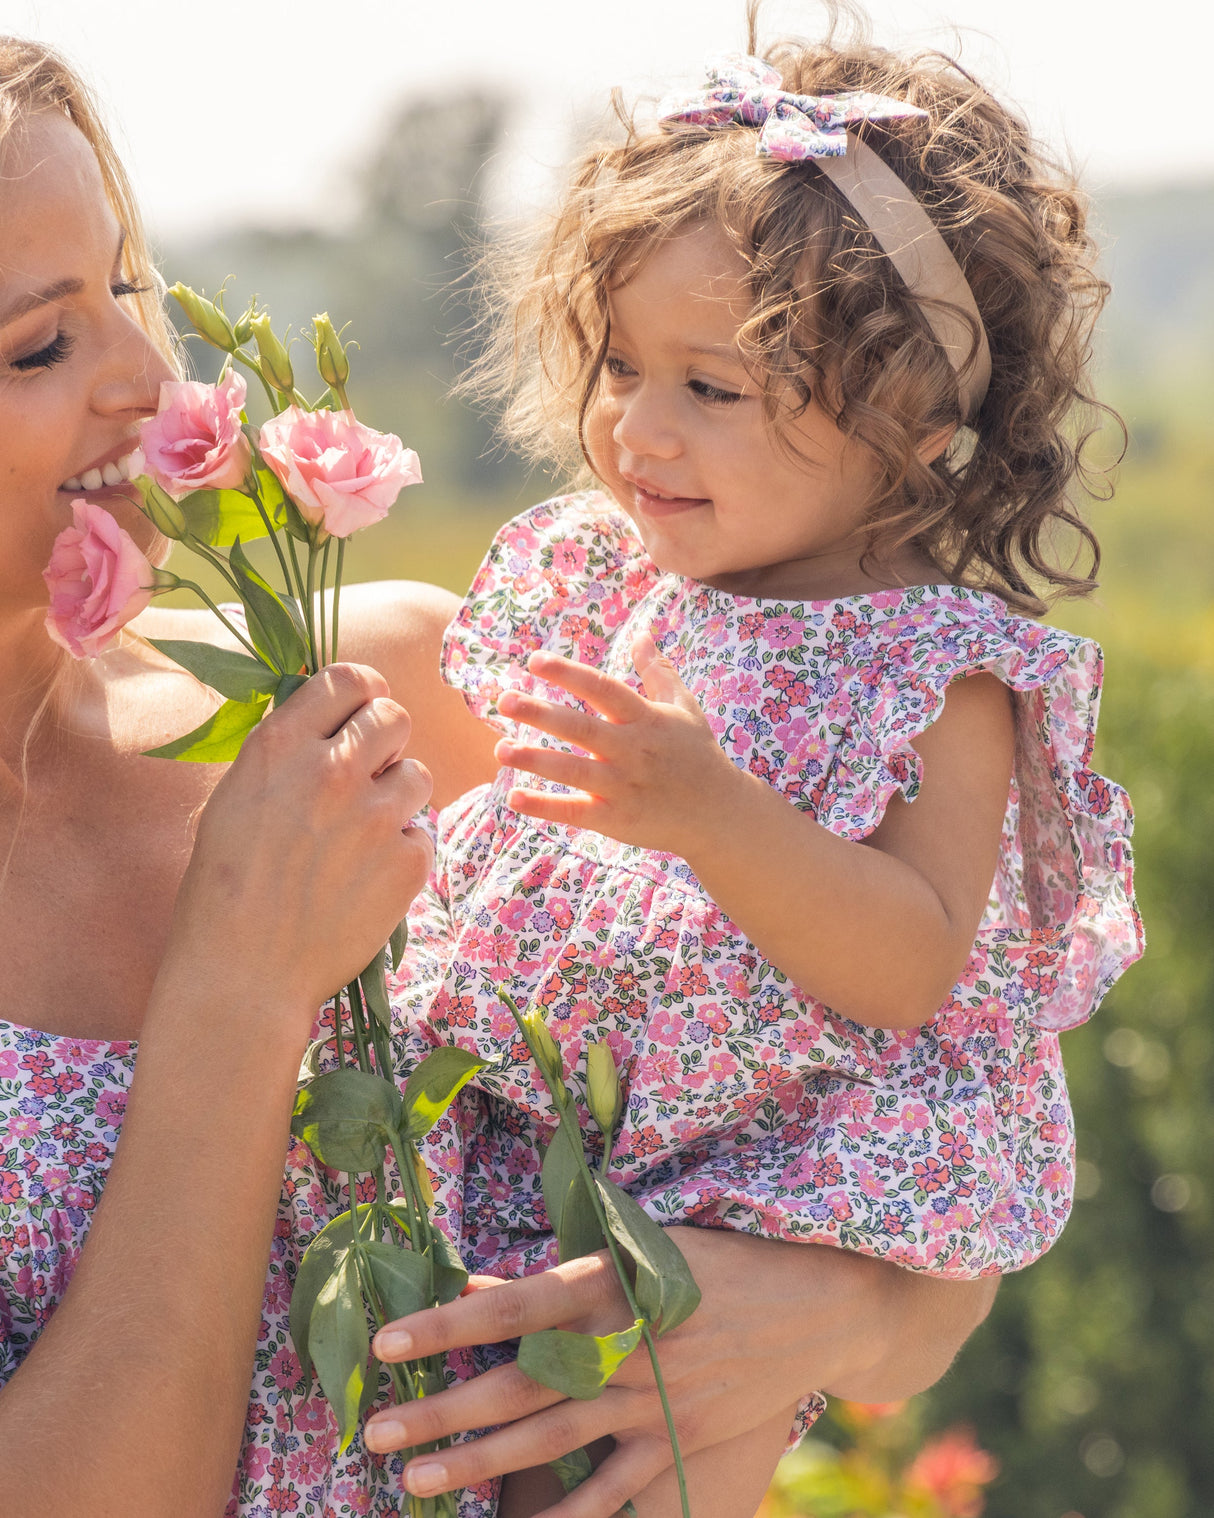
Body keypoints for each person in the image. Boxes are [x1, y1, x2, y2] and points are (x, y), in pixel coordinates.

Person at [0, 33, 1003, 1518]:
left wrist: (834, 1312)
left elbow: (913, 1101)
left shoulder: (421, 698)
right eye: (36, 344)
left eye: (130, 293)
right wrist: (236, 991)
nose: (150, 382)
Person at [353, 13, 1144, 1518]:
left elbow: (909, 959)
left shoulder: (931, 672)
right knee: (465, 1432)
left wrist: (711, 813)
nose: (635, 429)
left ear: (911, 422)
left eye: (708, 388)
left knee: (645, 1454)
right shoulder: (606, 574)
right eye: (615, 365)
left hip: (755, 1171)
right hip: (540, 1117)